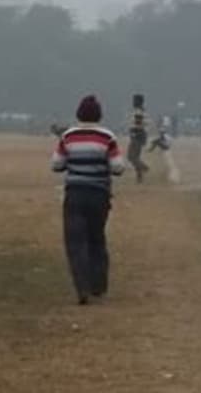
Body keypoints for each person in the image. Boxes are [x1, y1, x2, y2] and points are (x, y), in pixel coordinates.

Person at [52, 95, 126, 306]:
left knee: (75, 242)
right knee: (96, 239)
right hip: (99, 195)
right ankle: (98, 285)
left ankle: (81, 286)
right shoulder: (107, 137)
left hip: (75, 194)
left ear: (79, 114)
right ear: (99, 115)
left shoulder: (68, 136)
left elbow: (56, 165)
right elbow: (118, 167)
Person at [126, 94, 149, 182]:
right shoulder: (141, 110)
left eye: (135, 100)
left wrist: (133, 133)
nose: (133, 102)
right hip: (140, 135)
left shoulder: (138, 111)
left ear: (138, 102)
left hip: (137, 135)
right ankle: (139, 177)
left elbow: (138, 125)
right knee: (136, 157)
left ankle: (144, 168)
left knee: (131, 156)